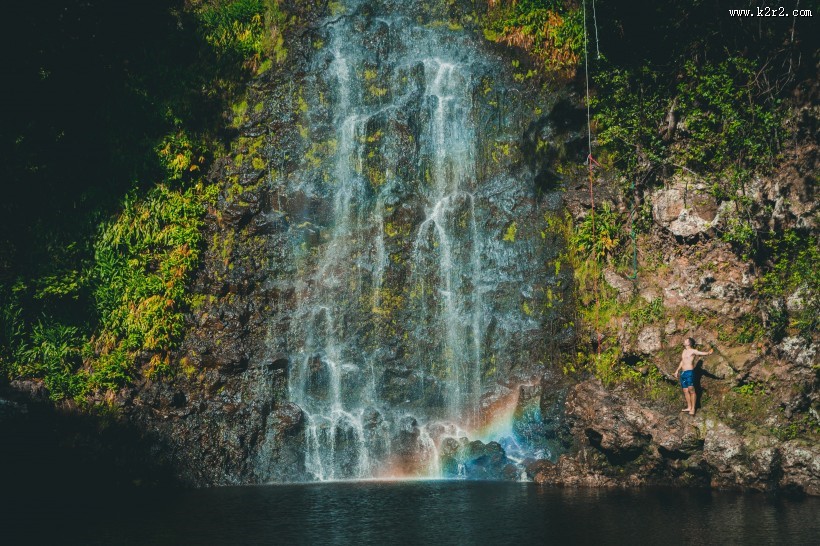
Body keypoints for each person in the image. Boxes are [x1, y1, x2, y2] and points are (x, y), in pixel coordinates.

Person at [674, 337, 713, 416]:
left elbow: (700, 353)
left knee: (691, 389)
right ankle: (689, 407)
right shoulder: (684, 351)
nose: (684, 341)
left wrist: (708, 353)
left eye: (686, 340)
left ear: (689, 343)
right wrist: (677, 370)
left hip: (689, 373)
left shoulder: (693, 351)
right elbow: (682, 361)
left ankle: (693, 408)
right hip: (683, 373)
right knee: (685, 390)